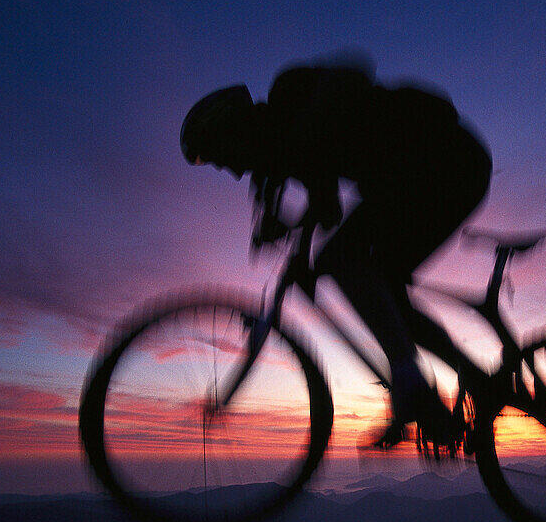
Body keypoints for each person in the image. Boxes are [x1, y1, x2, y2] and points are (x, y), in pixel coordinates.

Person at [179, 61, 492, 448]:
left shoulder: (288, 98)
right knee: (385, 297)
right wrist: (293, 226)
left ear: (233, 130)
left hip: (444, 161)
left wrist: (301, 206)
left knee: (345, 260)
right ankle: (476, 381)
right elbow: (327, 209)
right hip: (426, 173)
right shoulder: (282, 154)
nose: (230, 171)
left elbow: (353, 72)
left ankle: (410, 383)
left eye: (219, 157)